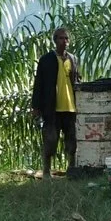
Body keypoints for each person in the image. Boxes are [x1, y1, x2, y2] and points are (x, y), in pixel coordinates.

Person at [32, 26, 78, 176]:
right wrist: (36, 107)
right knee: (50, 140)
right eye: (60, 38)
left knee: (71, 141)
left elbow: (77, 80)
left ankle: (71, 169)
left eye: (66, 38)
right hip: (52, 108)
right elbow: (38, 84)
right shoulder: (46, 60)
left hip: (70, 108)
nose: (64, 41)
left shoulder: (73, 59)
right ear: (55, 40)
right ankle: (46, 171)